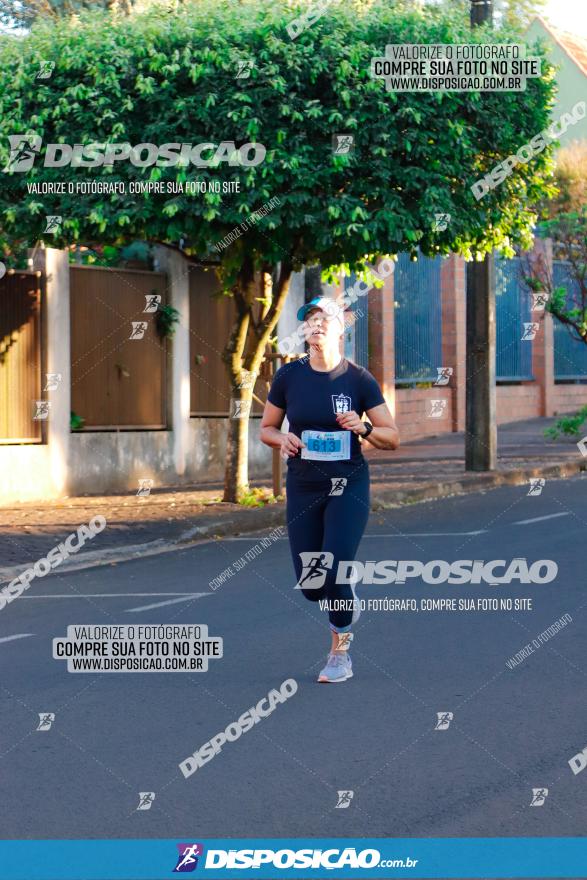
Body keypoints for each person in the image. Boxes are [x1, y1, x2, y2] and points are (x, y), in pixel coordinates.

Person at [260, 296, 400, 683]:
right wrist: (282, 439)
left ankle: (340, 655)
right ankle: (340, 593)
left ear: (342, 328)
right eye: (311, 319)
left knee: (335, 571)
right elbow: (267, 428)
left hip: (348, 485)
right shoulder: (289, 376)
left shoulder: (358, 379)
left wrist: (364, 428)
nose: (316, 325)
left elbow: (392, 437)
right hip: (304, 485)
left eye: (325, 319)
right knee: (311, 586)